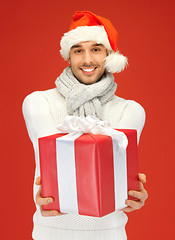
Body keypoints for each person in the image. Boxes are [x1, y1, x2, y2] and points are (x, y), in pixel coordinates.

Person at [22, 10, 148, 240]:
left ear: (109, 55)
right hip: (51, 232)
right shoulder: (38, 103)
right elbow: (55, 160)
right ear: (68, 57)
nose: (88, 59)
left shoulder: (131, 110)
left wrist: (132, 194)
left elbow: (116, 171)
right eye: (78, 50)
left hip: (110, 233)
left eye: (96, 49)